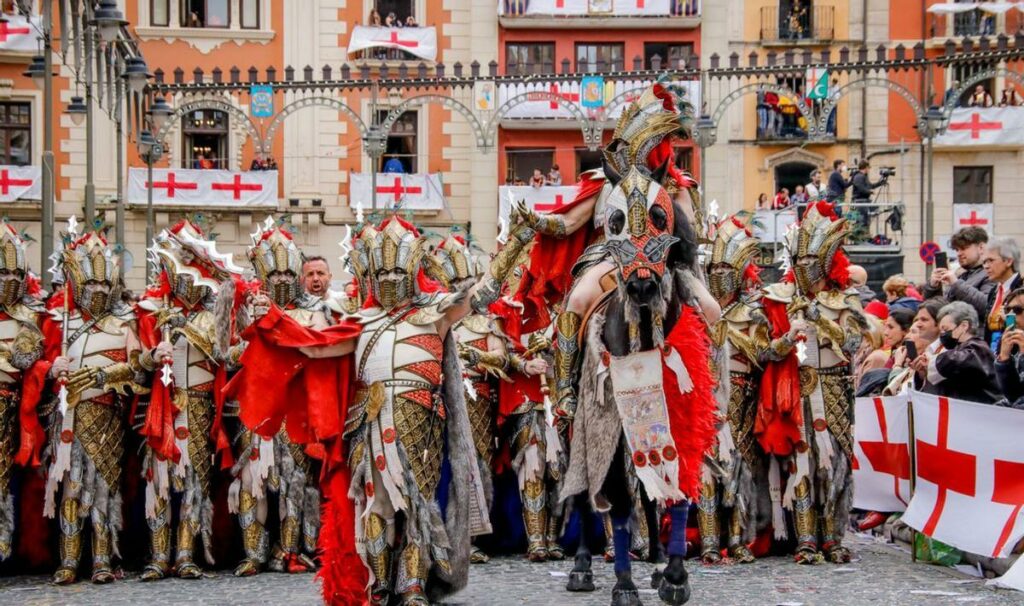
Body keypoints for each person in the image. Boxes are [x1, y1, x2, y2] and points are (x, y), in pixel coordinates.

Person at [225, 214, 535, 604]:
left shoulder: (435, 312)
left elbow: (481, 294)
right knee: (374, 507)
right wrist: (269, 318)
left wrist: (517, 245)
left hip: (420, 421)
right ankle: (379, 583)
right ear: (370, 272)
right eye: (382, 270)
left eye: (396, 269)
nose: (389, 278)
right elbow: (312, 344)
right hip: (368, 424)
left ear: (411, 269)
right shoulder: (360, 320)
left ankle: (413, 584)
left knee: (416, 505)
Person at [135, 220, 244, 581]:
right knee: (160, 479)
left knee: (195, 478)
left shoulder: (214, 317)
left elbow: (225, 355)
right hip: (161, 406)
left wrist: (187, 326)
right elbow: (135, 366)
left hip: (198, 404)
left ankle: (185, 553)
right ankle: (157, 555)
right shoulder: (152, 311)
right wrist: (153, 354)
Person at [759, 201, 866, 565]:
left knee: (834, 461)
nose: (805, 270)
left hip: (834, 386)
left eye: (811, 262)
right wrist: (787, 339)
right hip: (797, 387)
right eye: (799, 263)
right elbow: (765, 352)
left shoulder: (846, 299)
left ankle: (833, 537)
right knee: (800, 461)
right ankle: (805, 538)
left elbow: (853, 343)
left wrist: (821, 317)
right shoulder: (780, 299)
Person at [229, 223, 334, 576]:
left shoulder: (317, 311)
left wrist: (278, 325)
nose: (282, 279)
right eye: (274, 273)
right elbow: (227, 356)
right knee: (251, 480)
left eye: (289, 272)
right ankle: (254, 552)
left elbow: (316, 349)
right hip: (256, 406)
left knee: (296, 480)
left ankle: (291, 549)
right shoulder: (245, 310)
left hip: (295, 409)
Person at [42, 225, 143, 584]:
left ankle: (101, 559)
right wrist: (53, 367)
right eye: (91, 285)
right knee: (70, 487)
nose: (98, 292)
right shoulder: (59, 322)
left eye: (104, 285)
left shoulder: (124, 323)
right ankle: (68, 561)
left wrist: (106, 376)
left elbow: (138, 368)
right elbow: (36, 363)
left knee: (103, 487)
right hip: (68, 417)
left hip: (106, 416)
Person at [699, 217, 768, 564]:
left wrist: (727, 329)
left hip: (742, 396)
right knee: (705, 469)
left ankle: (739, 539)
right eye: (713, 268)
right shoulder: (695, 309)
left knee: (741, 469)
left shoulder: (753, 313)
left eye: (726, 268)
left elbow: (762, 355)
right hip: (705, 398)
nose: (718, 275)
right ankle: (710, 541)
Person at [0, 223, 48, 568]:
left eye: (17, 272)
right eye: (3, 272)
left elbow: (26, 359)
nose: (10, 280)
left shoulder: (30, 316)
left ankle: (8, 550)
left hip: (11, 407)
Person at [925, 301, 1001, 403]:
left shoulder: (978, 348)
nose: (943, 335)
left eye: (945, 329)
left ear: (964, 326)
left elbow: (958, 361)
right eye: (941, 331)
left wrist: (931, 359)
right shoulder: (958, 350)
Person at [925, 226, 994, 320]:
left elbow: (988, 305)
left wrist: (956, 284)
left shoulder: (991, 274)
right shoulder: (962, 276)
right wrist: (933, 287)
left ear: (981, 247)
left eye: (964, 248)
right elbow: (939, 311)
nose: (959, 253)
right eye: (957, 250)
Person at [980, 237, 1022, 349]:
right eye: (984, 262)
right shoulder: (994, 291)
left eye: (991, 260)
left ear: (1008, 261)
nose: (986, 266)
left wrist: (1009, 320)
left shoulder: (1021, 289)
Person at [994, 287, 1024, 405]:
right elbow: (1012, 394)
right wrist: (1004, 359)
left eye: (1017, 310)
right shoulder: (1015, 340)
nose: (1010, 315)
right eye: (1007, 310)